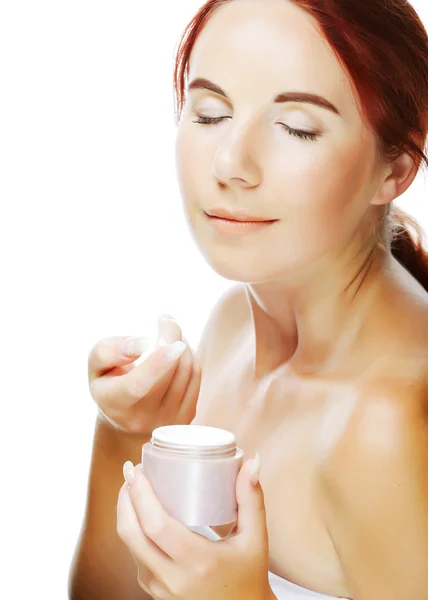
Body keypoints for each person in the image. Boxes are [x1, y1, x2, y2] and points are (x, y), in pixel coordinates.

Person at [68, 0, 428, 598]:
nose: (230, 163)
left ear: (395, 166)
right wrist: (125, 435)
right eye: (209, 113)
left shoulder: (383, 426)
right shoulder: (235, 324)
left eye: (296, 127)